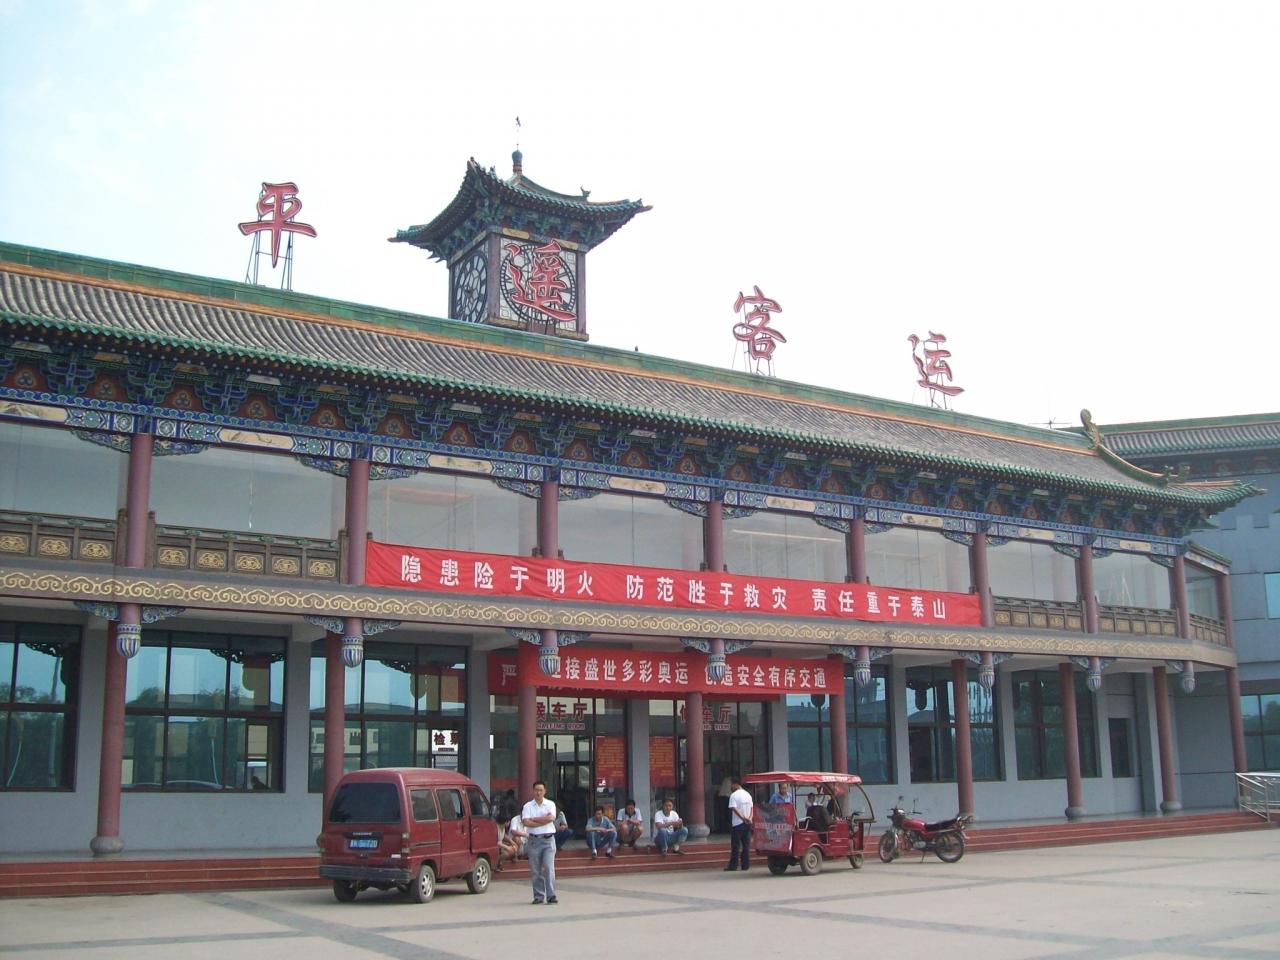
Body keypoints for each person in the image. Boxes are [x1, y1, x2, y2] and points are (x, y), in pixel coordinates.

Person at [522, 781, 558, 904]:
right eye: (536, 790)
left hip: (548, 840)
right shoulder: (527, 806)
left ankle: (551, 895)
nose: (538, 792)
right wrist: (543, 821)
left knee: (548, 867)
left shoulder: (550, 804)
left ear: (545, 791)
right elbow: (526, 822)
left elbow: (551, 818)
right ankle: (538, 896)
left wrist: (534, 819)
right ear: (533, 791)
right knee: (536, 870)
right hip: (533, 841)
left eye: (541, 790)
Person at [725, 774, 753, 872]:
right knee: (746, 845)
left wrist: (742, 818)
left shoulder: (734, 795)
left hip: (737, 824)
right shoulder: (748, 794)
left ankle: (733, 865)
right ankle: (745, 865)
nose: (731, 786)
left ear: (735, 784)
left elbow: (734, 808)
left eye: (731, 784)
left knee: (736, 845)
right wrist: (749, 818)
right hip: (748, 823)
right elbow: (752, 808)